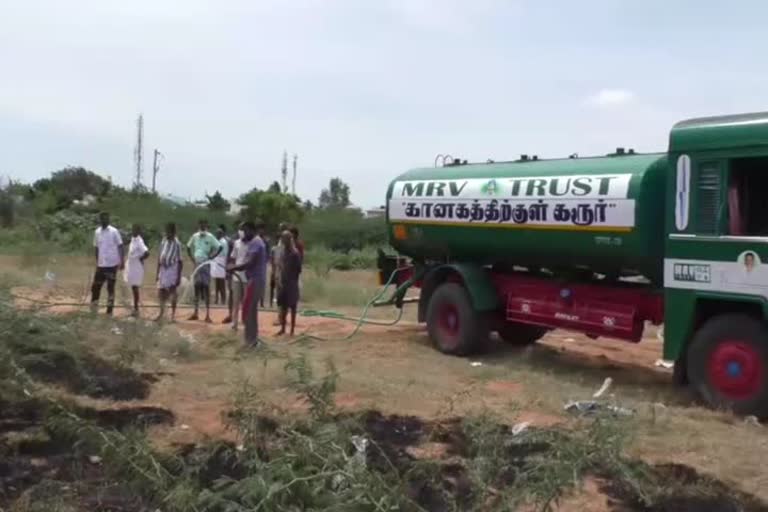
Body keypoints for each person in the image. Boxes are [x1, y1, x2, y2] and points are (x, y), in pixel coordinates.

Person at [228, 221, 267, 347]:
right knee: (251, 311)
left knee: (248, 311)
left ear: (251, 229)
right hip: (254, 280)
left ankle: (250, 341)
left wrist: (233, 268)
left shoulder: (256, 242)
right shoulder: (254, 242)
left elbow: (249, 263)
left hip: (254, 281)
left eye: (244, 230)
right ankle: (252, 340)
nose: (242, 233)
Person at [186, 219, 222, 323]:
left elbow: (219, 247)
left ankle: (207, 314)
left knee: (206, 286)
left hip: (206, 263)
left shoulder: (210, 237)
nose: (202, 226)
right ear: (198, 225)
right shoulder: (195, 236)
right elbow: (188, 246)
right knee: (197, 286)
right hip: (197, 263)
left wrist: (212, 256)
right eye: (200, 224)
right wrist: (192, 258)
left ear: (206, 225)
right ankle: (196, 312)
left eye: (204, 225)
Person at [91, 212, 124, 315]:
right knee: (95, 287)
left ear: (109, 219)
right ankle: (93, 309)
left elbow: (120, 246)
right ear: (100, 220)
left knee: (110, 289)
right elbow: (96, 247)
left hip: (111, 266)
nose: (105, 220)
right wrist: (97, 261)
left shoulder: (114, 231)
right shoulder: (97, 232)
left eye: (107, 218)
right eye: (103, 219)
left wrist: (122, 261)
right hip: (101, 266)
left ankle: (109, 312)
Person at [155, 222, 183, 322]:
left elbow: (180, 261)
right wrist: (157, 273)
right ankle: (161, 313)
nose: (168, 234)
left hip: (172, 270)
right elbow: (159, 257)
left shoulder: (177, 244)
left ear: (174, 232)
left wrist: (178, 276)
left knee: (172, 292)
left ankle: (172, 315)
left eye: (170, 232)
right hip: (163, 269)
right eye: (167, 231)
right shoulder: (164, 241)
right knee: (161, 292)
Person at [277, 231, 302, 337]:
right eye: (282, 238)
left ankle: (292, 330)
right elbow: (281, 266)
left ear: (289, 239)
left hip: (292, 282)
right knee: (283, 307)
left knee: (293, 307)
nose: (282, 240)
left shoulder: (295, 253)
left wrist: (292, 281)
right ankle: (283, 329)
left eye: (284, 238)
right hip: (283, 282)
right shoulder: (283, 251)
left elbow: (298, 269)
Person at [225, 224, 248, 331]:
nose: (241, 231)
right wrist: (230, 269)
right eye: (240, 229)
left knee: (246, 301)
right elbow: (232, 258)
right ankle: (235, 323)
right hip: (236, 277)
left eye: (243, 230)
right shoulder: (236, 243)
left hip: (247, 277)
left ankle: (246, 322)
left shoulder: (251, 243)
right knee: (236, 301)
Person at [124, 224, 150, 317]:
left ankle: (136, 309)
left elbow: (147, 253)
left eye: (135, 230)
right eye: (133, 230)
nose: (133, 231)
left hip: (136, 267)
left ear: (138, 231)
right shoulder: (133, 239)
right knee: (131, 286)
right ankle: (134, 307)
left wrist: (140, 259)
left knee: (135, 288)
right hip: (131, 265)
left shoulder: (139, 240)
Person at [269, 222, 288, 307]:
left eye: (283, 229)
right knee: (278, 288)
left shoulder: (288, 241)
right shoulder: (278, 242)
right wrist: (273, 270)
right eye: (280, 229)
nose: (281, 231)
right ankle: (279, 309)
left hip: (286, 268)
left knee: (285, 289)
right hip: (278, 268)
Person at [211, 226, 229, 306]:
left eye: (218, 233)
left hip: (221, 261)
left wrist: (213, 256)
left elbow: (220, 252)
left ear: (221, 234)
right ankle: (217, 299)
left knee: (221, 282)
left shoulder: (223, 242)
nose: (216, 235)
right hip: (216, 261)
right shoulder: (218, 241)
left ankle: (223, 299)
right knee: (217, 282)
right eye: (216, 233)